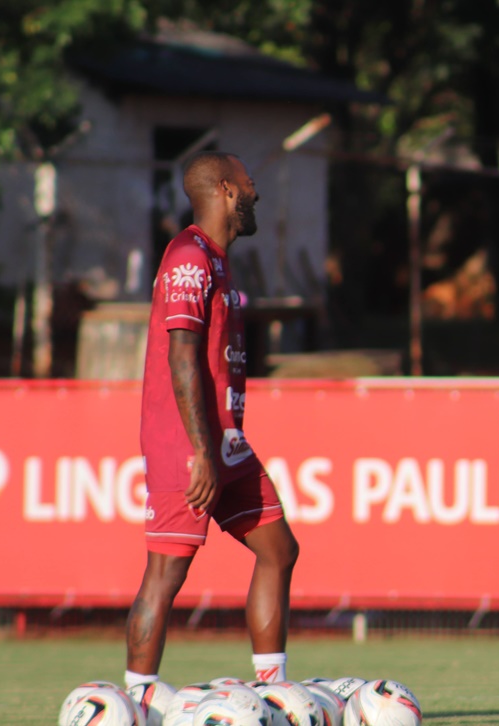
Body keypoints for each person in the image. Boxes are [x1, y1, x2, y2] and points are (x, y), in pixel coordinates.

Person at [125, 151, 300, 691]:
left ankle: (271, 688)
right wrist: (200, 450)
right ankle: (139, 697)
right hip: (189, 443)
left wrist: (219, 443)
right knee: (166, 572)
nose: (256, 194)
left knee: (280, 549)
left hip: (225, 442)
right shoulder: (189, 256)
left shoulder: (218, 260)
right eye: (249, 183)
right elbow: (182, 355)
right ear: (226, 190)